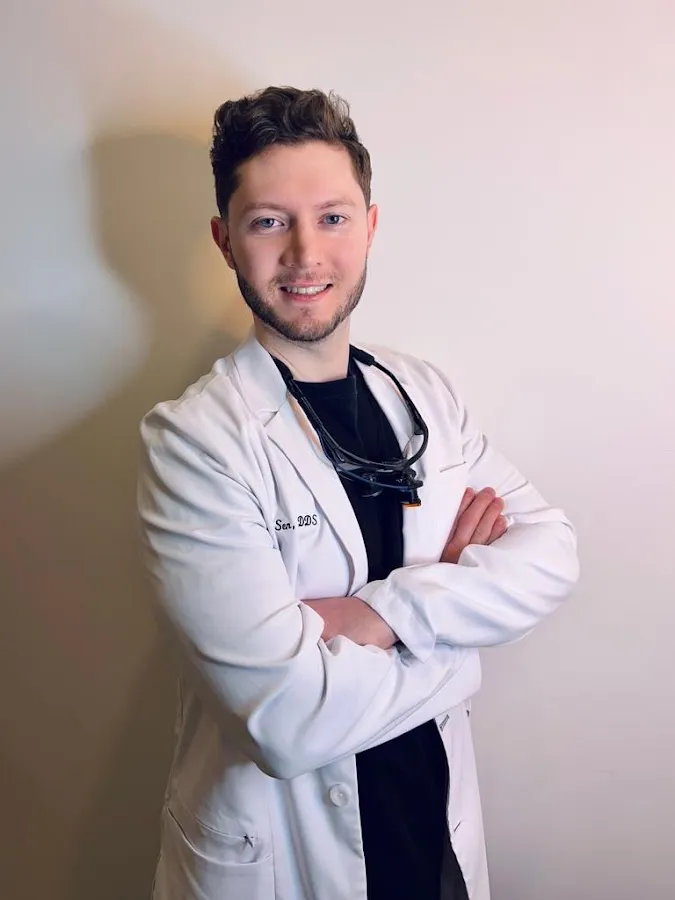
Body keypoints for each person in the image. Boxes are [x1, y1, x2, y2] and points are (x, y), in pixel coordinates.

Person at [137, 86, 579, 900]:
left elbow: (551, 554)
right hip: (285, 855)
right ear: (225, 241)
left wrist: (376, 615)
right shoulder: (195, 441)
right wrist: (461, 632)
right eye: (269, 222)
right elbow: (287, 719)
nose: (305, 253)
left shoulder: (424, 395)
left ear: (369, 226)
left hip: (431, 836)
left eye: (332, 217)